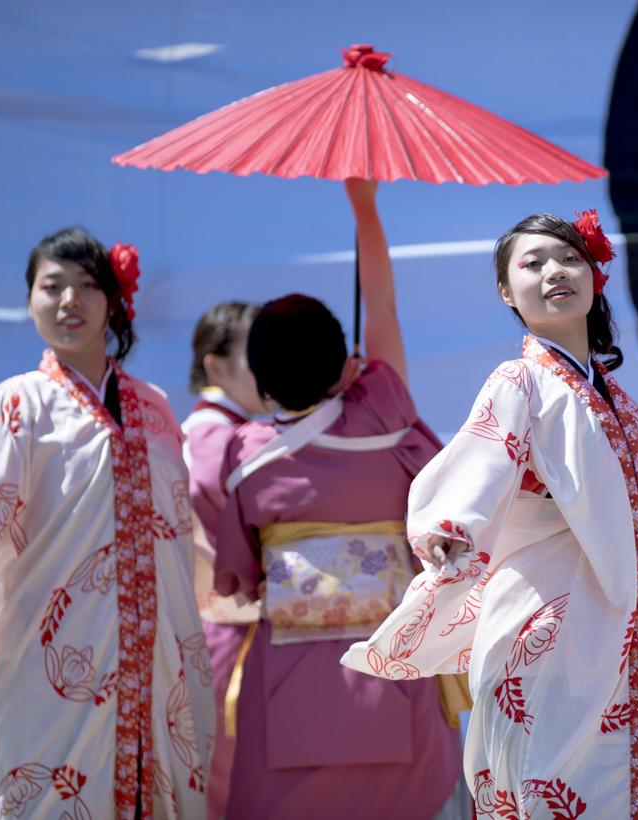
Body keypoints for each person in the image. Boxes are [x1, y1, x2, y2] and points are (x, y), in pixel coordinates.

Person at [342, 209, 638, 819]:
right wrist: (451, 532)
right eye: (532, 263)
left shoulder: (621, 404)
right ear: (506, 291)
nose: (555, 271)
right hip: (546, 626)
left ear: (594, 274)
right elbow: (475, 471)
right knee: (548, 786)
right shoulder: (520, 381)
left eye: (570, 258)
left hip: (618, 633)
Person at [0, 228, 213, 819]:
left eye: (86, 286)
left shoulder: (154, 408)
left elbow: (181, 534)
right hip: (47, 658)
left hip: (156, 662)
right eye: (52, 287)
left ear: (113, 300)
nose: (69, 301)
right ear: (30, 301)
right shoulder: (19, 404)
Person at [213, 179, 464, 819]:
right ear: (343, 363)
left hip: (286, 689)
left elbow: (237, 579)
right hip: (391, 663)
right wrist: (364, 205)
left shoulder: (242, 457)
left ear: (260, 376)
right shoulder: (381, 412)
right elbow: (380, 305)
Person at [182, 301, 275, 820]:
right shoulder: (221, 436)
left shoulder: (205, 430)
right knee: (231, 785)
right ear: (217, 366)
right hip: (230, 631)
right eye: (255, 352)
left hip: (217, 631)